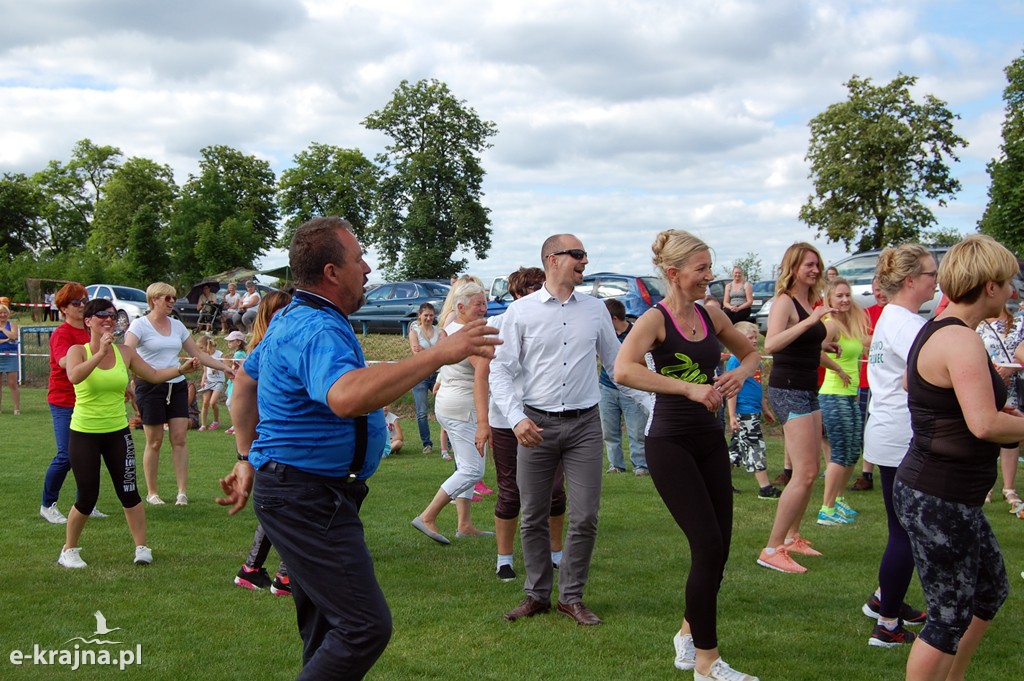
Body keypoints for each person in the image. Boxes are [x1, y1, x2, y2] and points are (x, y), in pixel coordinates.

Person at [216, 217, 500, 678]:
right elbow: (346, 396)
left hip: (301, 492)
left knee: (327, 628)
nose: (368, 268)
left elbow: (246, 382)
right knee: (363, 627)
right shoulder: (315, 328)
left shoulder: (296, 317)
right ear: (332, 271)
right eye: (359, 258)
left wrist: (246, 457)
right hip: (308, 497)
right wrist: (437, 355)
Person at [615, 229, 760, 681]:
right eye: (701, 270)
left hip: (709, 440)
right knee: (707, 544)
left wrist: (739, 377)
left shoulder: (711, 313)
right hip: (670, 442)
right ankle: (706, 663)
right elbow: (623, 369)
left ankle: (686, 637)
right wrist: (687, 388)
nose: (709, 277)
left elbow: (750, 352)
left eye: (710, 268)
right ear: (674, 273)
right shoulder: (654, 320)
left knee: (720, 548)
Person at [490, 233, 647, 626]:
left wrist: (654, 403)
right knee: (532, 515)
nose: (584, 261)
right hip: (535, 425)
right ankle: (537, 595)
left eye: (584, 254)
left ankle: (570, 597)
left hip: (584, 426)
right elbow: (500, 370)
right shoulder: (521, 312)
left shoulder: (595, 311)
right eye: (577, 255)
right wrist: (516, 418)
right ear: (552, 260)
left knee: (586, 516)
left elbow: (618, 367)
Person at [894, 235, 1020, 680]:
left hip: (945, 494)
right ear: (989, 286)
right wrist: (984, 410)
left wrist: (969, 402)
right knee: (947, 619)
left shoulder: (941, 327)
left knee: (988, 592)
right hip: (938, 495)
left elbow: (917, 386)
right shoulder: (959, 339)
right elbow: (984, 425)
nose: (1013, 292)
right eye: (1008, 283)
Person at [57, 298, 200, 569]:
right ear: (88, 321)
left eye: (112, 315)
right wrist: (99, 352)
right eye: (101, 315)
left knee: (129, 491)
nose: (109, 319)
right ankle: (69, 549)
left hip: (117, 433)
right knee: (87, 496)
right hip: (84, 433)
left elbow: (155, 374)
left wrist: (180, 369)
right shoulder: (79, 350)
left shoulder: (125, 352)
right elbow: (74, 376)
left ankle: (142, 547)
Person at [859, 244, 936, 647]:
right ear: (911, 281)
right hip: (902, 433)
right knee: (906, 531)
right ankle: (887, 625)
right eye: (930, 274)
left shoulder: (893, 317)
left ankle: (885, 599)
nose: (935, 281)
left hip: (889, 429)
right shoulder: (905, 323)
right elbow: (926, 374)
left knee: (900, 527)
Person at [474, 266, 567, 582]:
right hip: (505, 420)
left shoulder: (558, 322)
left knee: (555, 491)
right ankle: (504, 559)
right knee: (511, 492)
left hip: (548, 416)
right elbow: (483, 376)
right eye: (531, 290)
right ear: (516, 295)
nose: (540, 295)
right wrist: (483, 423)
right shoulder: (496, 324)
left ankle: (556, 554)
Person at [757, 242, 833, 574]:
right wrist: (811, 322)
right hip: (789, 389)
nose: (814, 270)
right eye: (808, 265)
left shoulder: (808, 302)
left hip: (806, 387)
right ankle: (772, 549)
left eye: (817, 264)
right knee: (803, 472)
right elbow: (771, 343)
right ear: (793, 267)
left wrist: (823, 345)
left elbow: (801, 344)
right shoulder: (785, 301)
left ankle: (792, 537)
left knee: (811, 471)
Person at [124, 282, 234, 506]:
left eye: (173, 298)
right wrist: (125, 379)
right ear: (154, 299)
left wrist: (224, 367)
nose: (172, 302)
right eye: (167, 298)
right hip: (150, 386)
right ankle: (152, 493)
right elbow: (127, 352)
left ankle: (182, 492)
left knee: (180, 439)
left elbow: (197, 354)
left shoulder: (177, 326)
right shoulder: (139, 326)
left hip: (177, 384)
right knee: (154, 441)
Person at [411, 281, 493, 542]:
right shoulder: (467, 334)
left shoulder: (452, 326)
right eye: (478, 304)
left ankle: (465, 524)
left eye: (485, 302)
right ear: (461, 307)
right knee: (472, 470)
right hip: (464, 407)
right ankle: (428, 515)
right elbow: (481, 376)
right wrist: (483, 422)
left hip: (451, 403)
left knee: (470, 464)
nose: (484, 308)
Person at [233, 290, 295, 597]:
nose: (287, 318)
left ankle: (252, 569)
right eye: (279, 313)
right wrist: (245, 453)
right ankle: (284, 576)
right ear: (267, 318)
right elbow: (244, 399)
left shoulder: (274, 345)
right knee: (289, 506)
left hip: (270, 439)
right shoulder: (263, 350)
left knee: (276, 507)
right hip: (271, 440)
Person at [40, 283, 110, 524]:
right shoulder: (62, 334)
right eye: (76, 303)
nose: (82, 306)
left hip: (90, 400)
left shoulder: (91, 331)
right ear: (63, 308)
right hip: (64, 400)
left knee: (89, 456)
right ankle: (48, 504)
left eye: (84, 301)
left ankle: (86, 504)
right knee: (66, 455)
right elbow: (63, 363)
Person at [816, 277, 869, 526]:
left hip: (850, 395)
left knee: (853, 452)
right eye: (839, 296)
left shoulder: (849, 325)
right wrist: (837, 368)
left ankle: (837, 499)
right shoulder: (830, 325)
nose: (845, 299)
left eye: (848, 295)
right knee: (839, 453)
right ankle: (826, 508)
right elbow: (815, 352)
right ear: (829, 300)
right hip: (833, 394)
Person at [976, 305, 1024, 511]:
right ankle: (986, 486)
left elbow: (1021, 351)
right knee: (986, 434)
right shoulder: (979, 327)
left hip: (1015, 386)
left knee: (1011, 436)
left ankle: (1009, 488)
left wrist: (1010, 370)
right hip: (988, 385)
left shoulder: (1020, 323)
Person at [726, 321, 780, 499]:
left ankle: (719, 483)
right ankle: (765, 488)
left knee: (735, 450)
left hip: (754, 409)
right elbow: (731, 389)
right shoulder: (736, 360)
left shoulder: (755, 360)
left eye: (756, 337)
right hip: (744, 411)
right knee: (755, 445)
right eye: (750, 338)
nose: (755, 341)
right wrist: (732, 415)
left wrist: (765, 409)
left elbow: (757, 387)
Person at [598, 298, 649, 475]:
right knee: (609, 431)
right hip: (606, 388)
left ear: (612, 318)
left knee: (637, 431)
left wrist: (624, 357)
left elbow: (647, 360)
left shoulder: (636, 333)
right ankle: (616, 465)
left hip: (632, 388)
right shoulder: (604, 334)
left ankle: (641, 465)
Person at [852, 277, 889, 492]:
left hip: (892, 384)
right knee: (867, 426)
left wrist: (874, 339)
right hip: (868, 381)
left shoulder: (898, 313)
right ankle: (866, 474)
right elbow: (861, 340)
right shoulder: (868, 314)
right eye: (876, 290)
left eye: (883, 289)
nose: (880, 294)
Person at [408, 303, 439, 454]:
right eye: (425, 315)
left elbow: (443, 353)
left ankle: (450, 443)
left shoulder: (439, 332)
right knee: (422, 411)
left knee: (444, 408)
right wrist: (433, 352)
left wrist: (425, 351)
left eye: (431, 315)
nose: (428, 318)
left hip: (437, 373)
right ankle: (427, 443)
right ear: (419, 316)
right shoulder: (415, 332)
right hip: (420, 374)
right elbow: (417, 356)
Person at [196, 335, 226, 431]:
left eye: (201, 347)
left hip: (218, 381)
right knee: (205, 403)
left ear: (207, 345)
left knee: (213, 402)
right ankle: (203, 425)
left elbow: (225, 366)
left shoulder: (219, 354)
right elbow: (205, 370)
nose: (200, 350)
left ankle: (216, 421)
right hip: (209, 381)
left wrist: (216, 367)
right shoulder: (205, 356)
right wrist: (203, 379)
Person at [223, 330, 247, 434]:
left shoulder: (239, 354)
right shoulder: (238, 353)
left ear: (238, 342)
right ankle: (235, 424)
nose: (229, 343)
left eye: (231, 341)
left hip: (236, 381)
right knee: (230, 402)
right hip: (233, 381)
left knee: (231, 403)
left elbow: (241, 367)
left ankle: (238, 425)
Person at [0, 304, 21, 415]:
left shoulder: (12, 324)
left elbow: (14, 336)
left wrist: (3, 329)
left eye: (5, 313)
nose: (3, 315)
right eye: (0, 313)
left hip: (11, 355)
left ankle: (16, 408)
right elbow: (9, 338)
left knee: (13, 383)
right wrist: (5, 340)